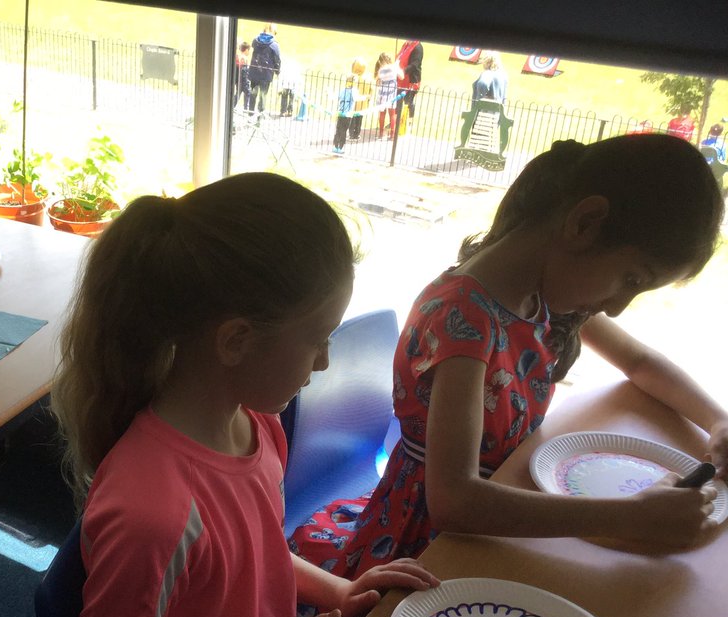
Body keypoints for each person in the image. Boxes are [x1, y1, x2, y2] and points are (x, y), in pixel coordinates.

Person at [51, 172, 439, 617]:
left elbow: (257, 556)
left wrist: (340, 591)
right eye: (317, 338)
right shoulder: (153, 513)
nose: (324, 362)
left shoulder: (255, 426)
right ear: (234, 341)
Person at [292, 135, 727, 584]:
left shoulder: (542, 298)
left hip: (497, 514)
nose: (617, 308)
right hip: (426, 547)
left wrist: (718, 421)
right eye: (631, 279)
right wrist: (629, 517)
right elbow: (454, 501)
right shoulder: (464, 320)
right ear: (585, 224)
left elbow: (639, 363)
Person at [245, 24, 281, 114]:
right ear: (273, 32)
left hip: (254, 72)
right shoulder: (274, 45)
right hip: (266, 74)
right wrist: (277, 71)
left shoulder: (255, 41)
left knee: (253, 94)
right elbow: (277, 60)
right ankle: (260, 115)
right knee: (263, 96)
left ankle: (250, 114)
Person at [395, 39, 423, 125]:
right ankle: (396, 121)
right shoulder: (406, 44)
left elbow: (414, 65)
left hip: (412, 79)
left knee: (408, 101)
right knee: (398, 100)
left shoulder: (418, 47)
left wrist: (403, 71)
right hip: (400, 79)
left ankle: (409, 121)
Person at [374, 52, 400, 139]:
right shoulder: (394, 68)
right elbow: (402, 76)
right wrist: (397, 66)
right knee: (392, 114)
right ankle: (392, 134)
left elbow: (377, 79)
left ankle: (381, 133)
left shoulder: (381, 70)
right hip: (391, 95)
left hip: (382, 95)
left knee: (382, 114)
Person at [347, 57, 371, 141]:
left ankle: (351, 134)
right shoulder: (367, 79)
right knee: (359, 119)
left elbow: (348, 88)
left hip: (353, 103)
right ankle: (356, 134)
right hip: (362, 103)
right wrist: (368, 98)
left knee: (352, 119)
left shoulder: (351, 78)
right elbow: (371, 90)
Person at [332, 75, 356, 154]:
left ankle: (335, 146)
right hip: (347, 114)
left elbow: (337, 97)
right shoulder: (353, 91)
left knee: (338, 129)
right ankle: (340, 147)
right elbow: (356, 98)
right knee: (343, 131)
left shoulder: (342, 90)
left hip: (341, 113)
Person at [233, 41, 251, 109]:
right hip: (243, 80)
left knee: (238, 94)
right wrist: (246, 79)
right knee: (247, 93)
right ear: (246, 50)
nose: (249, 52)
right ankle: (246, 108)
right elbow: (244, 70)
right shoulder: (244, 58)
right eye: (248, 50)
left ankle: (233, 106)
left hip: (239, 79)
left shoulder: (239, 56)